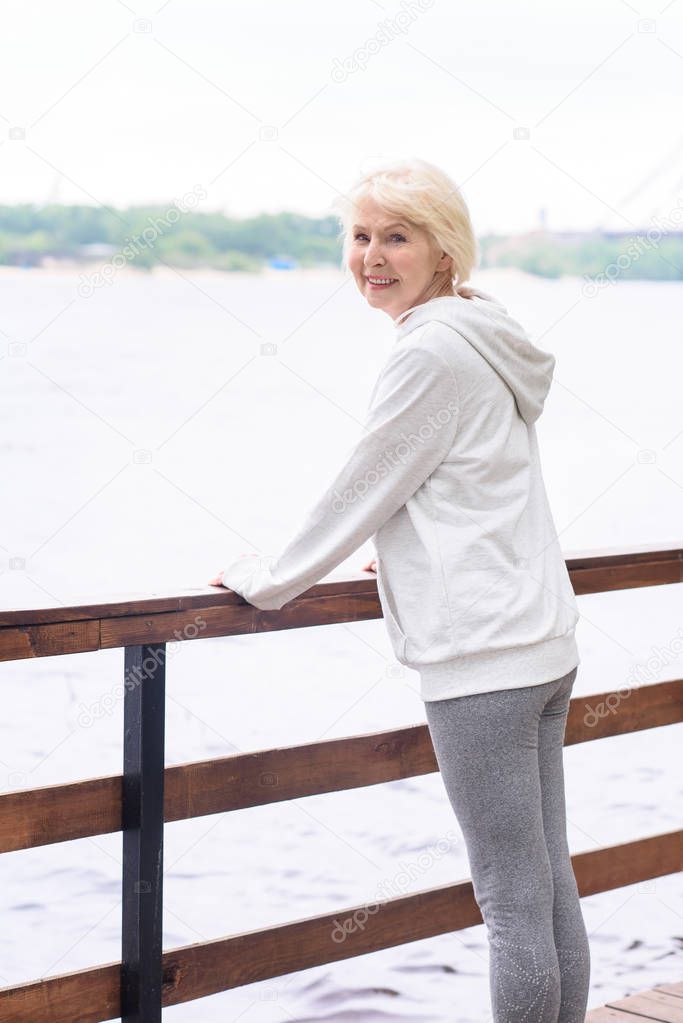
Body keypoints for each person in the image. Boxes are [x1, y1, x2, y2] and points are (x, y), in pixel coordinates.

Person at [208, 157, 590, 1022]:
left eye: (397, 236)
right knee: (547, 880)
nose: (371, 256)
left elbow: (361, 486)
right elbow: (477, 480)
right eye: (359, 235)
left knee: (511, 903)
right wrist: (414, 547)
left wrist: (263, 582)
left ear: (443, 249)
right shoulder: (481, 329)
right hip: (539, 643)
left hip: (481, 659)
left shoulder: (429, 353)